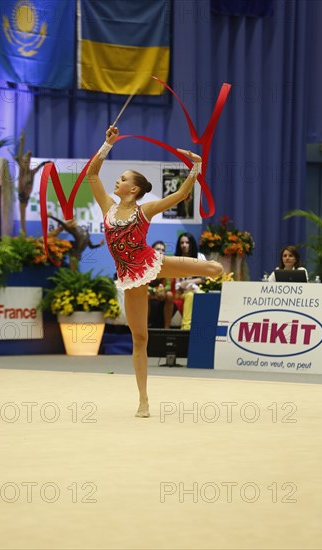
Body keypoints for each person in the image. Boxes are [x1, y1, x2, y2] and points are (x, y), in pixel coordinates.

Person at [86, 125, 223, 418]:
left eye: (122, 179)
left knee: (214, 268)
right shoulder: (108, 207)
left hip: (152, 261)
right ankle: (143, 400)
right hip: (131, 276)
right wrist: (107, 144)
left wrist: (196, 166)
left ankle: (213, 273)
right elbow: (92, 175)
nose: (118, 180)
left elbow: (181, 195)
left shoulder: (144, 210)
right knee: (140, 339)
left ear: (133, 189)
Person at [172, 233, 206, 330]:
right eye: (182, 243)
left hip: (197, 289)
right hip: (182, 292)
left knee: (202, 295)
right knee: (190, 295)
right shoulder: (177, 260)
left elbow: (204, 278)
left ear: (192, 244)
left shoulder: (200, 257)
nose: (184, 245)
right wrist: (184, 286)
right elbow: (177, 285)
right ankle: (186, 327)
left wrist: (190, 282)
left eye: (187, 242)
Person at [147, 241, 178, 328]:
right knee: (146, 294)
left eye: (163, 250)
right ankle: (144, 326)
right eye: (158, 249)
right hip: (149, 291)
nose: (160, 252)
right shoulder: (146, 264)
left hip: (160, 292)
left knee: (169, 295)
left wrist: (163, 290)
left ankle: (167, 327)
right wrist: (154, 290)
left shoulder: (166, 266)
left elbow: (168, 285)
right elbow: (143, 285)